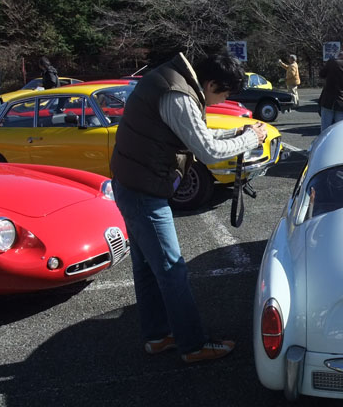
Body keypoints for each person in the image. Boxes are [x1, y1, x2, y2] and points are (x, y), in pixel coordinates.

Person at [110, 52, 267, 363]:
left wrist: (236, 134)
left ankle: (157, 336)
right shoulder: (178, 94)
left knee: (146, 269)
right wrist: (249, 138)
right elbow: (207, 151)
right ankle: (194, 345)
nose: (221, 100)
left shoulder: (172, 79)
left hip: (130, 184)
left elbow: (193, 134)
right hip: (144, 192)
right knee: (172, 271)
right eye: (222, 93)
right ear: (210, 83)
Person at [318, 41, 343, 132]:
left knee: (325, 130)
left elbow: (322, 74)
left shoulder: (333, 63)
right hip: (342, 101)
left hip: (328, 100)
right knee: (339, 130)